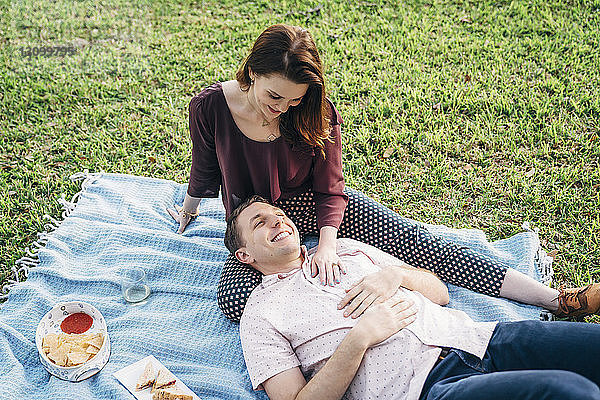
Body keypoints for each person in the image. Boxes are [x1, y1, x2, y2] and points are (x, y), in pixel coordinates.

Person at [167, 23, 598, 322]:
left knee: (422, 245)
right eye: (275, 96)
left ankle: (557, 300)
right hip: (255, 220)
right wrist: (189, 206)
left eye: (294, 101)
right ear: (252, 72)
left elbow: (330, 187)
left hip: (310, 205)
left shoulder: (315, 113)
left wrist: (328, 247)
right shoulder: (209, 107)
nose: (282, 109)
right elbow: (204, 164)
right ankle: (331, 327)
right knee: (235, 296)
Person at [227, 196, 600, 400]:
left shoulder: (345, 249)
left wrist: (396, 275)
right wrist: (359, 339)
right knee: (571, 391)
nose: (278, 221)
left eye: (278, 214)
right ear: (245, 256)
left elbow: (439, 293)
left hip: (483, 339)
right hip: (427, 388)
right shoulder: (260, 315)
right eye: (260, 223)